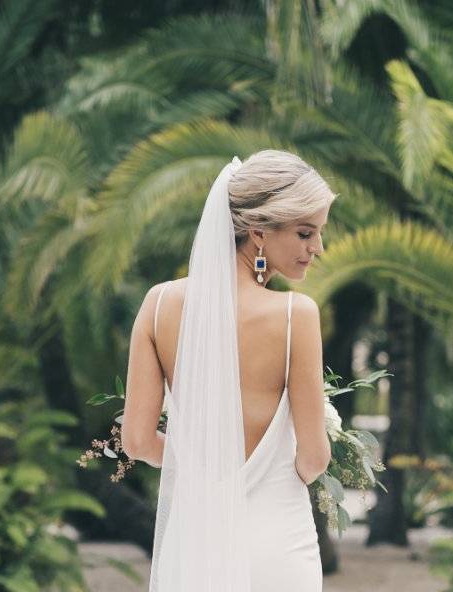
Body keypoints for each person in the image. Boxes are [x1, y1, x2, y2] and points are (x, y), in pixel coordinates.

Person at [121, 149, 336, 591]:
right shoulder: (297, 315)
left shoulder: (158, 304)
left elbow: (138, 442)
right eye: (305, 233)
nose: (317, 249)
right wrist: (275, 473)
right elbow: (314, 458)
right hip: (278, 543)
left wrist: (205, 466)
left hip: (196, 541)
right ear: (258, 230)